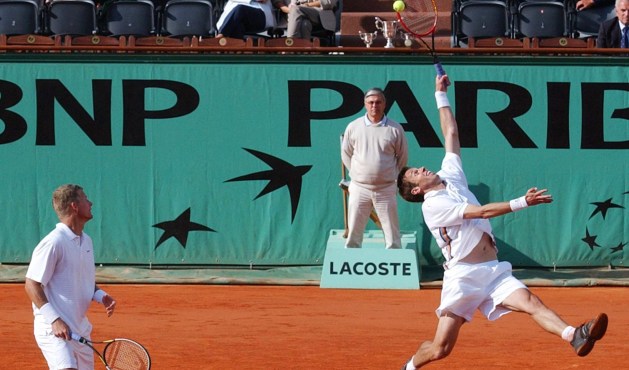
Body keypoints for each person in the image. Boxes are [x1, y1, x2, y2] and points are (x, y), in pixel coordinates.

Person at [396, 75, 608, 369]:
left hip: (493, 271)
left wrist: (440, 94)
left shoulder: (450, 177)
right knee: (440, 349)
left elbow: (451, 133)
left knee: (531, 302)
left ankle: (574, 334)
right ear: (417, 191)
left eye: (416, 169)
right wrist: (523, 201)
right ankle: (409, 366)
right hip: (463, 277)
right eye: (414, 175)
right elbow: (481, 213)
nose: (420, 168)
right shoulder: (434, 206)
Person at [25, 184, 116, 370]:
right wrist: (54, 320)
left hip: (80, 330)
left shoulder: (86, 240)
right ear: (75, 206)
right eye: (85, 199)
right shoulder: (54, 242)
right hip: (54, 330)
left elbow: (82, 278)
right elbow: (31, 284)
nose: (90, 203)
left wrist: (100, 295)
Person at [341, 87, 408, 249]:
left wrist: (390, 177)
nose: (374, 106)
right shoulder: (353, 127)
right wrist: (357, 175)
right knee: (354, 234)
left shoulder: (395, 128)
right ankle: (350, 265)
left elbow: (402, 157)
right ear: (365, 104)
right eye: (370, 102)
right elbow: (346, 153)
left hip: (386, 189)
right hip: (359, 188)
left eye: (378, 102)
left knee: (392, 235)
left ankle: (395, 264)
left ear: (384, 104)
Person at [216, 0, 289, 40]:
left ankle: (221, 36)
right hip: (234, 16)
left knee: (240, 9)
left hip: (260, 14)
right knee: (238, 26)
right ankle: (238, 53)